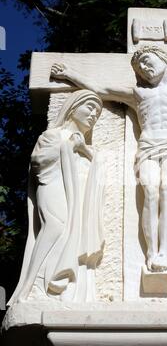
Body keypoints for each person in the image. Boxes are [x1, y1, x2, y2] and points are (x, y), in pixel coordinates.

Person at [51, 46, 167, 272]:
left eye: (147, 60)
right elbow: (101, 89)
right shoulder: (139, 94)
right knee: (150, 192)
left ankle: (165, 250)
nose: (144, 67)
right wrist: (69, 75)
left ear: (164, 60)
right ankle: (151, 251)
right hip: (148, 147)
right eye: (139, 67)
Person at [8, 89, 105, 304]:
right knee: (55, 225)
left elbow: (96, 167)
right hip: (51, 184)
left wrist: (84, 150)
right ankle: (29, 286)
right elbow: (38, 162)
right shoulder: (53, 135)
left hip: (72, 196)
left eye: (97, 113)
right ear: (73, 107)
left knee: (65, 230)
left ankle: (48, 284)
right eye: (89, 108)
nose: (93, 115)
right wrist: (70, 146)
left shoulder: (85, 145)